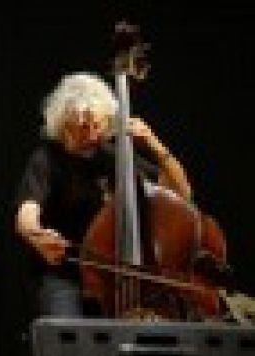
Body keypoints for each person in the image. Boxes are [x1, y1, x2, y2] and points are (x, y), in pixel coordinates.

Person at [13, 72, 193, 317]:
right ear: (63, 124)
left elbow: (181, 194)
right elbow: (26, 213)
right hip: (63, 275)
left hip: (113, 277)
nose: (92, 135)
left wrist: (155, 145)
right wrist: (37, 235)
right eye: (82, 128)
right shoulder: (46, 159)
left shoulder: (115, 157)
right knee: (67, 332)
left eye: (97, 125)